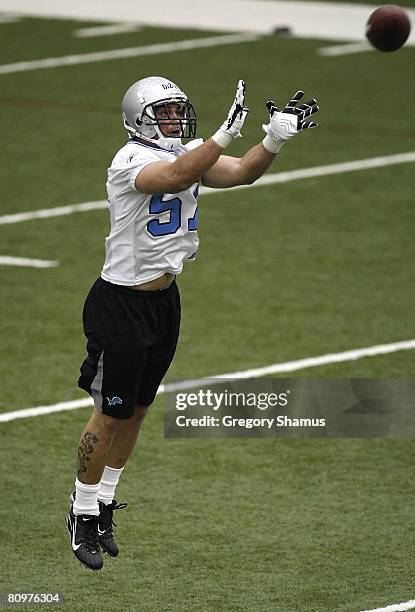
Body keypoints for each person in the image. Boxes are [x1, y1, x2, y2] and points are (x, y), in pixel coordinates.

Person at [66, 76, 319, 570]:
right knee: (110, 412)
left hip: (165, 301)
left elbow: (244, 171)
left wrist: (273, 140)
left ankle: (104, 505)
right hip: (121, 303)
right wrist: (221, 135)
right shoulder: (130, 160)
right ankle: (80, 511)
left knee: (138, 409)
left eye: (178, 111)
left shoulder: (187, 152)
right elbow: (177, 176)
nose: (174, 120)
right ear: (138, 118)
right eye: (163, 113)